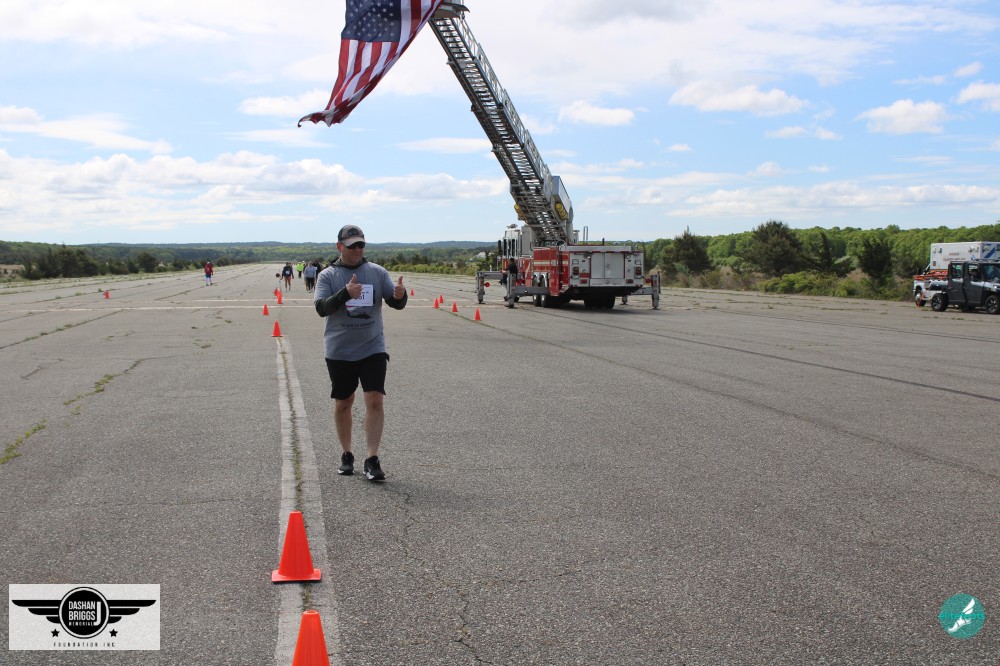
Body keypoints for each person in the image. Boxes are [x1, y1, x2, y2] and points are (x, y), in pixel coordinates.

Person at [314, 225, 407, 481]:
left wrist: (400, 296)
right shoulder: (327, 276)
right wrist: (345, 293)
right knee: (344, 403)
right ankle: (347, 454)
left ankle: (372, 459)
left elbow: (395, 303)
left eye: (361, 245)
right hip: (340, 350)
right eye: (352, 245)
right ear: (339, 247)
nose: (357, 249)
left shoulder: (376, 272)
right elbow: (321, 308)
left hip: (372, 347)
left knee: (375, 399)